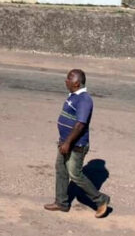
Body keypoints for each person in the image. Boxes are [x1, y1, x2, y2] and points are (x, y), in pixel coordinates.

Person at [44, 69, 110, 218]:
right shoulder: (74, 96)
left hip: (76, 144)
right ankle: (61, 203)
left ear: (76, 83)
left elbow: (80, 124)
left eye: (68, 78)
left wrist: (68, 143)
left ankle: (101, 200)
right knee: (61, 170)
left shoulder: (84, 99)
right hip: (65, 142)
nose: (65, 81)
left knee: (75, 174)